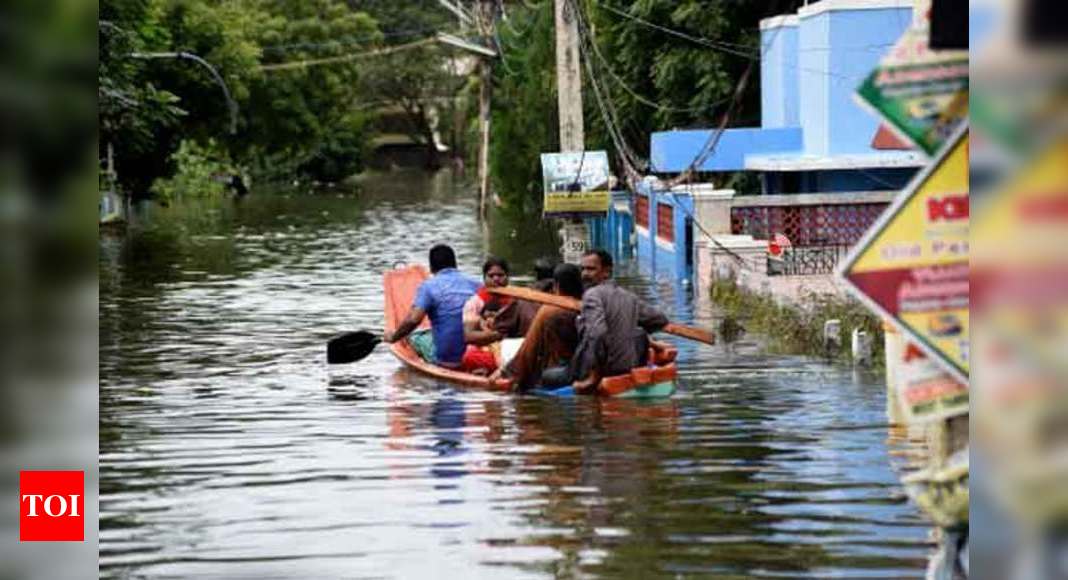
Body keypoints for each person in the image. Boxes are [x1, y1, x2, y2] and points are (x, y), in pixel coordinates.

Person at [571, 249, 669, 392]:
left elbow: (597, 334)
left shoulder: (591, 295)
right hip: (628, 367)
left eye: (591, 269)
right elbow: (659, 319)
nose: (585, 274)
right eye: (583, 269)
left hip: (603, 371)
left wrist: (593, 378)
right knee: (639, 333)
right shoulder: (629, 297)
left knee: (548, 376)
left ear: (607, 272)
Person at [384, 244, 480, 368]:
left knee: (415, 336)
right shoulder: (477, 284)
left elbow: (413, 320)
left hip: (446, 358)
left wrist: (394, 337)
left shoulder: (428, 286)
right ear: (455, 264)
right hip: (473, 353)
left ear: (432, 267)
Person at [489, 263, 583, 390]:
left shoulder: (550, 310)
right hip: (585, 368)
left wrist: (506, 373)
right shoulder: (590, 305)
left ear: (556, 286)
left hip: (558, 373)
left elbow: (529, 349)